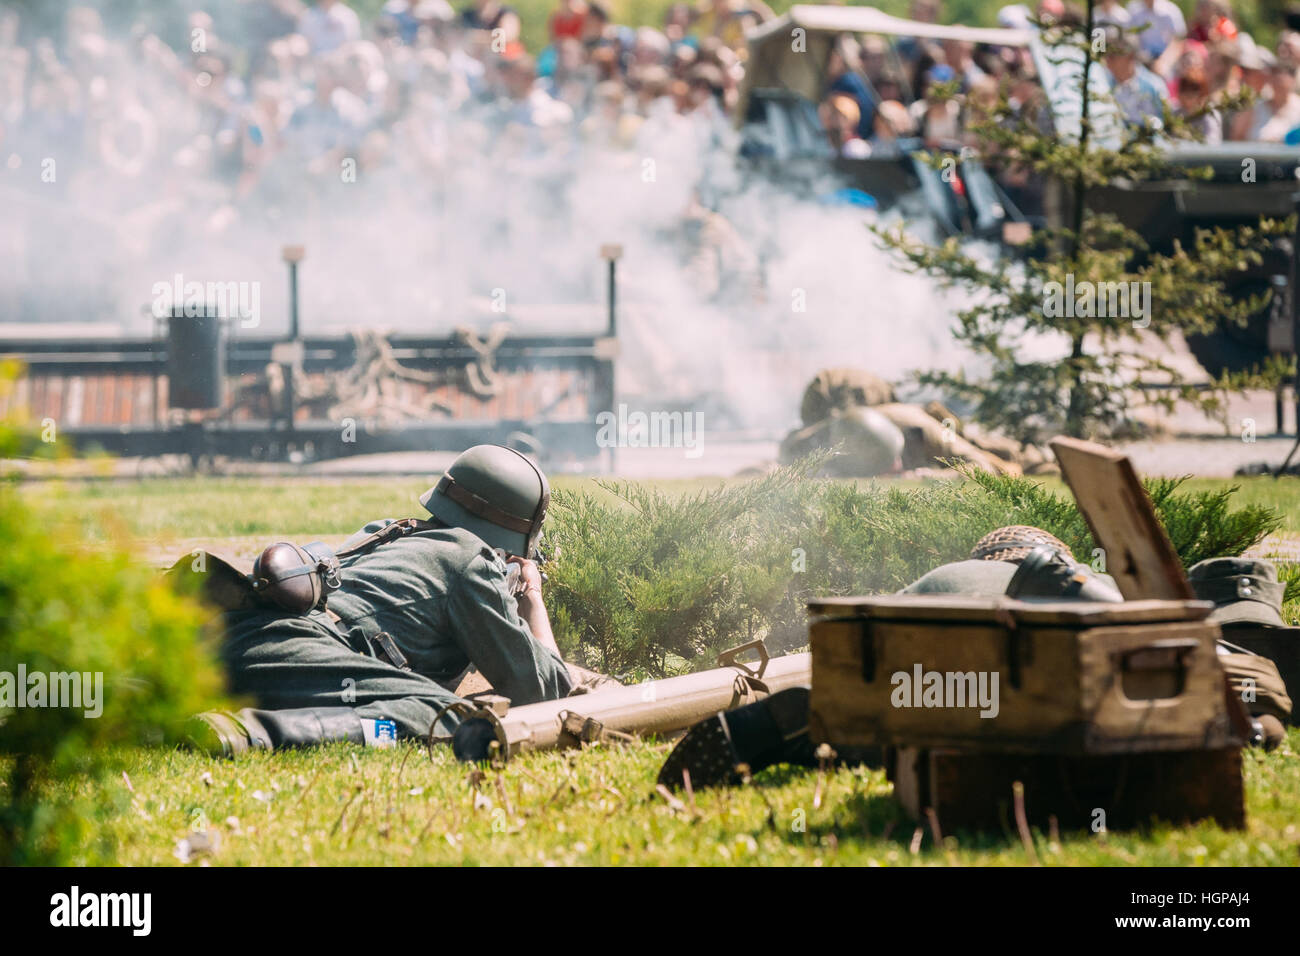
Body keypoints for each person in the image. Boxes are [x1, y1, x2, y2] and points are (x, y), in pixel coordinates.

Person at [192, 444, 580, 754]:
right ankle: (256, 732)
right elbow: (548, 690)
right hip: (299, 651)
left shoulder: (385, 532)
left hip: (234, 634)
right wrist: (532, 595)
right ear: (513, 544)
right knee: (444, 714)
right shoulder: (469, 559)